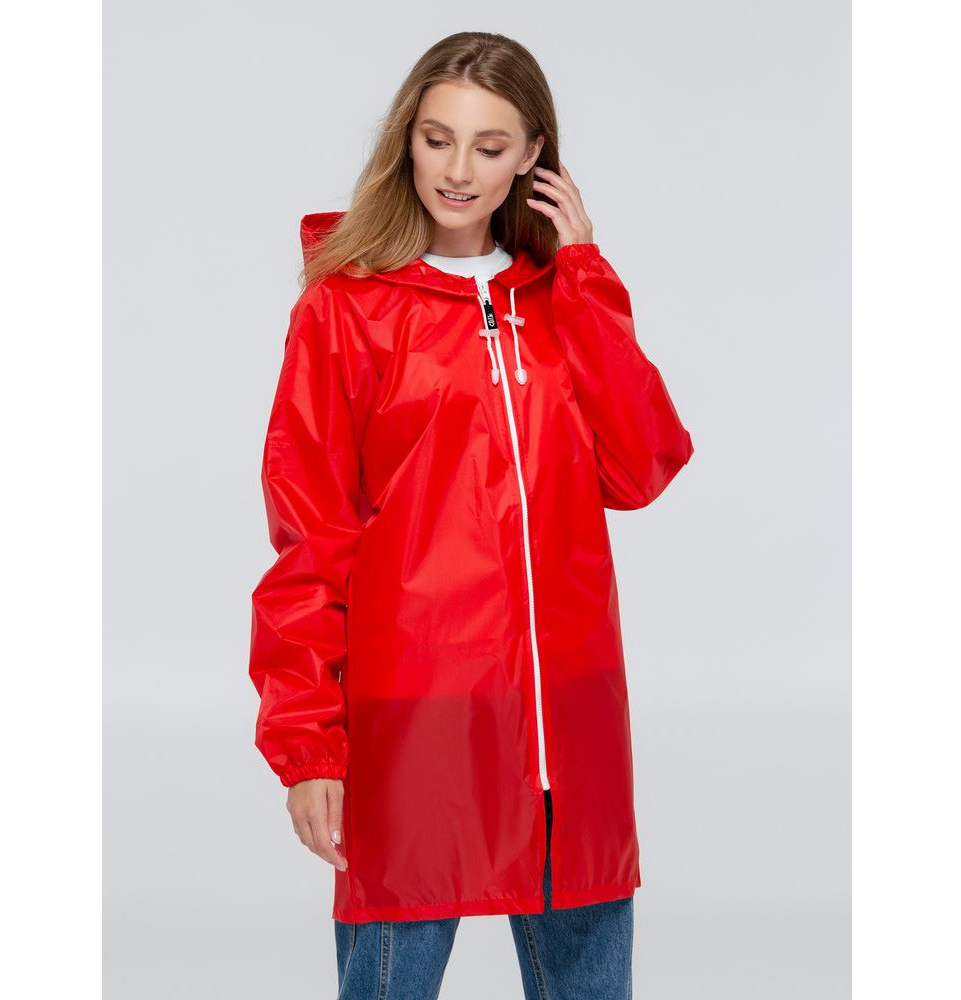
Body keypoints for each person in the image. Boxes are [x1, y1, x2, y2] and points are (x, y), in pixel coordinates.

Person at [248, 30, 694, 1000]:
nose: (457, 171)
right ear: (406, 139)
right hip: (415, 716)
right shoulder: (347, 309)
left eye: (489, 147)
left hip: (567, 725)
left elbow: (642, 466)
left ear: (534, 154)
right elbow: (309, 537)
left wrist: (584, 275)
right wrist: (307, 744)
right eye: (437, 139)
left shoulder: (561, 298)